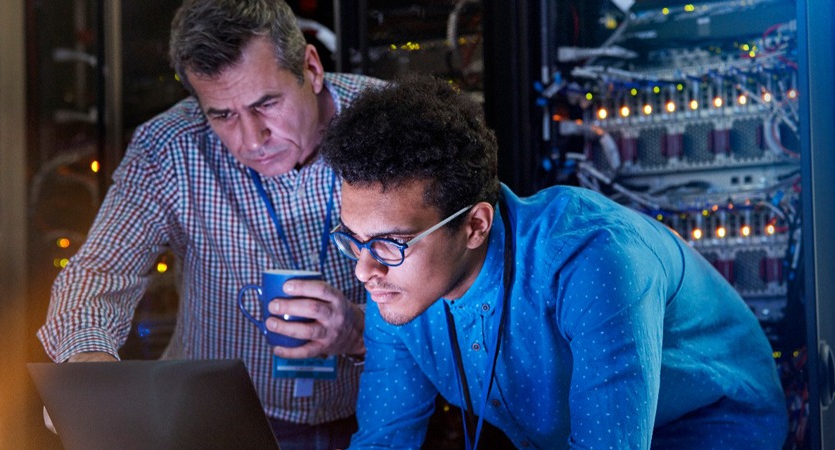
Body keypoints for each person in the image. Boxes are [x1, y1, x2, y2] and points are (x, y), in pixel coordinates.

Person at [319, 75, 789, 449]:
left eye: (390, 242)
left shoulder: (594, 257)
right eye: (354, 240)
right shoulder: (395, 284)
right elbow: (383, 440)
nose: (364, 270)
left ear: (475, 226)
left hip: (713, 429)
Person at [36, 0, 384, 448]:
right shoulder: (169, 149)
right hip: (219, 422)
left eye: (267, 103)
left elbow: (468, 282)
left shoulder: (388, 122)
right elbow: (95, 275)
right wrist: (87, 367)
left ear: (312, 69)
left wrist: (362, 329)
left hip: (380, 411)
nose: (252, 139)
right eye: (222, 115)